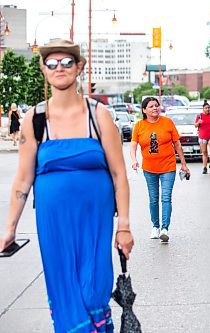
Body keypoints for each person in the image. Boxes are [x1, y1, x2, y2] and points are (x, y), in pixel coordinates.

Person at [0, 39, 134, 332]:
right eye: (51, 63)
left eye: (66, 62)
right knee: (65, 295)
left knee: (93, 289)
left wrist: (123, 225)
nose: (58, 68)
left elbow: (119, 175)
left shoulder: (99, 116)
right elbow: (23, 179)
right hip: (54, 224)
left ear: (79, 67)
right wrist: (9, 228)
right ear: (44, 71)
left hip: (95, 222)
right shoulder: (34, 119)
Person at [130, 96, 190, 241]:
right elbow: (133, 145)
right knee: (153, 199)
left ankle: (165, 228)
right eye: (151, 106)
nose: (155, 108)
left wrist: (183, 163)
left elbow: (177, 144)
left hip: (168, 166)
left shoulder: (167, 122)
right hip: (149, 168)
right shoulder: (139, 126)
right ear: (144, 110)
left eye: (156, 105)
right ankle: (155, 227)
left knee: (166, 197)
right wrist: (134, 160)